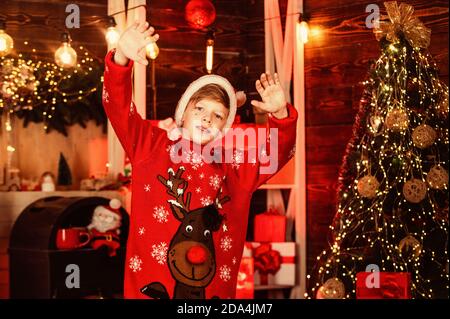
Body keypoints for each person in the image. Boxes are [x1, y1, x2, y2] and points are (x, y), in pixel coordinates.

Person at [103, 21, 298, 299]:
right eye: (200, 108)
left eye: (218, 115)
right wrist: (121, 58)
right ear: (183, 113)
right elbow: (118, 109)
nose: (208, 117)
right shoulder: (149, 145)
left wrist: (280, 114)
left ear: (224, 127)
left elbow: (277, 154)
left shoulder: (235, 168)